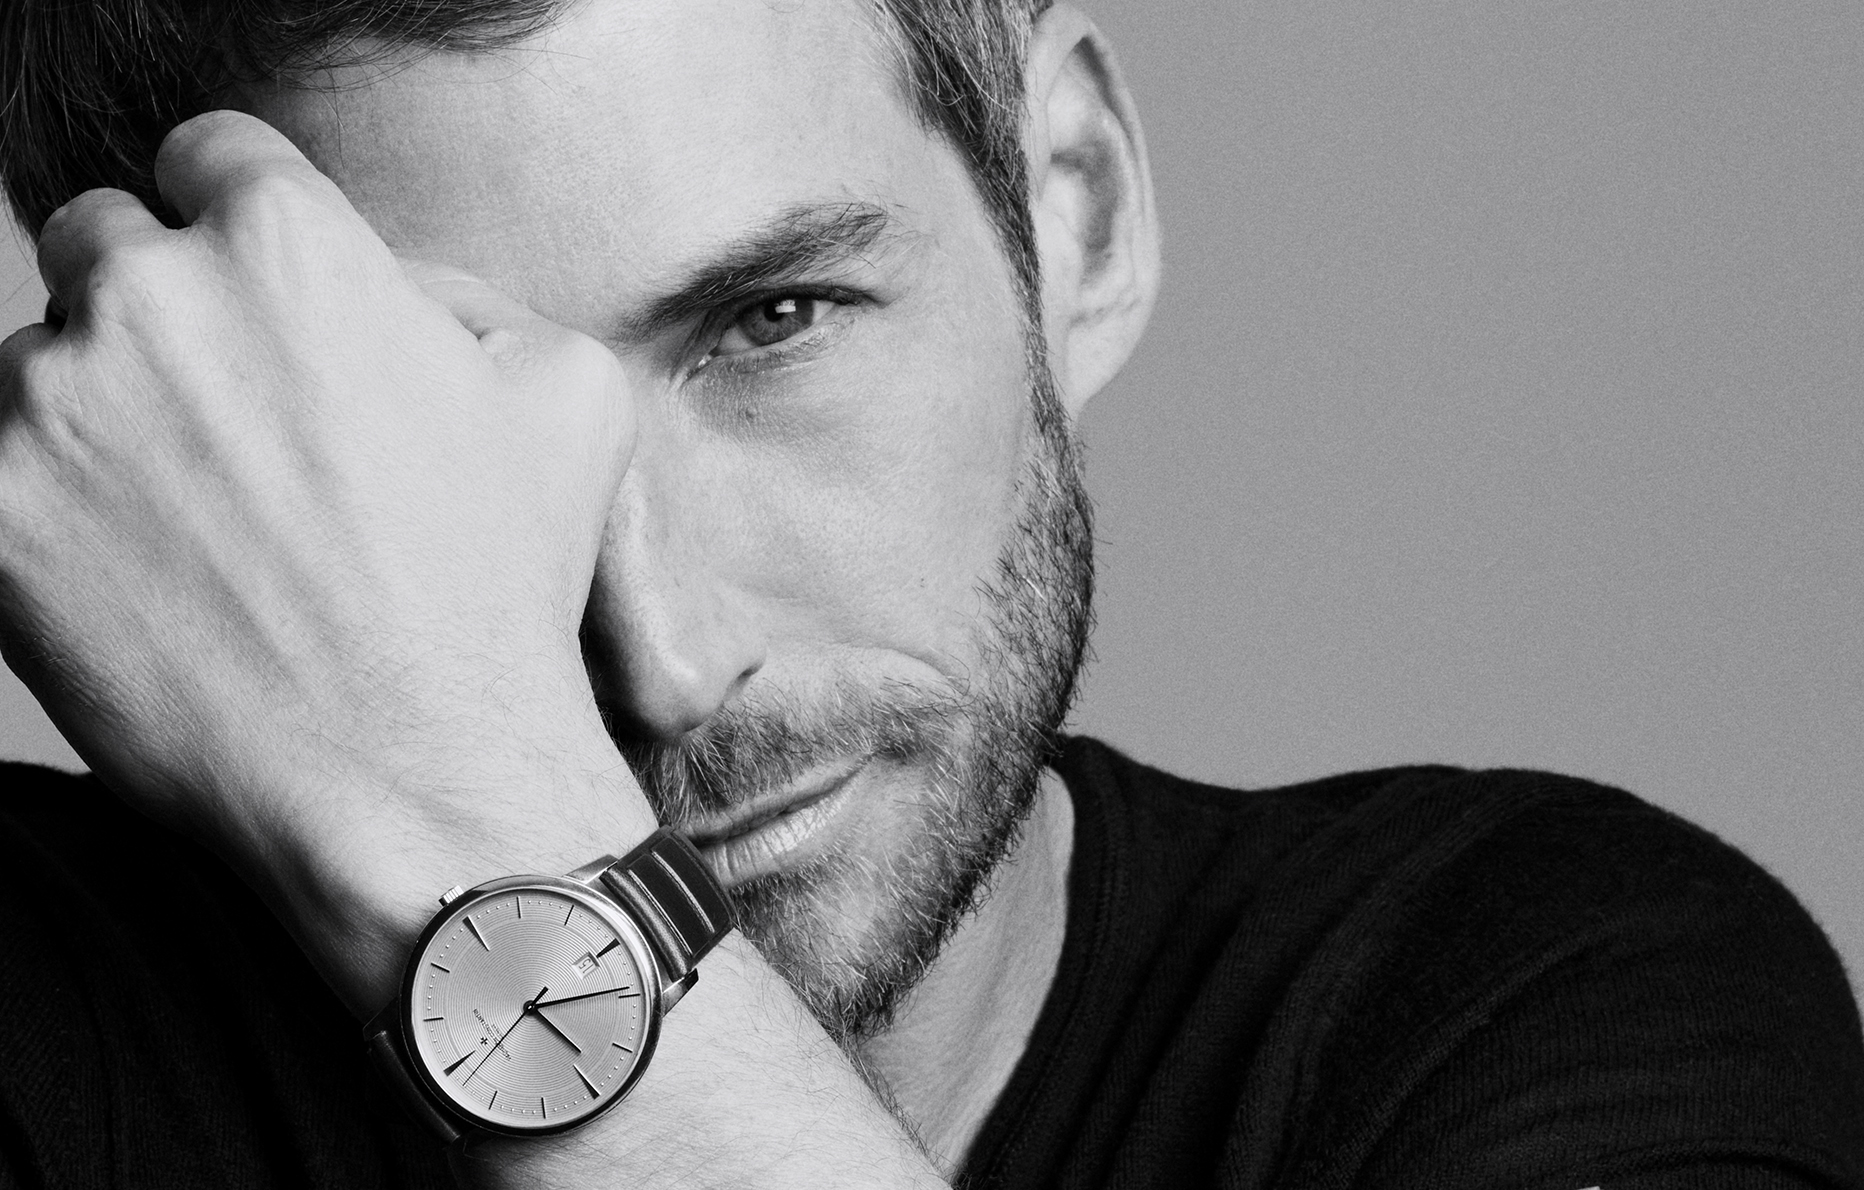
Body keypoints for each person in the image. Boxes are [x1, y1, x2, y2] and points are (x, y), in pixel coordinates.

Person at [0, 0, 1857, 1186]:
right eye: (436, 428)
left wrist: (476, 839)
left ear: (1076, 207)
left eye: (773, 320)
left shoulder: (1535, 994)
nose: (668, 652)